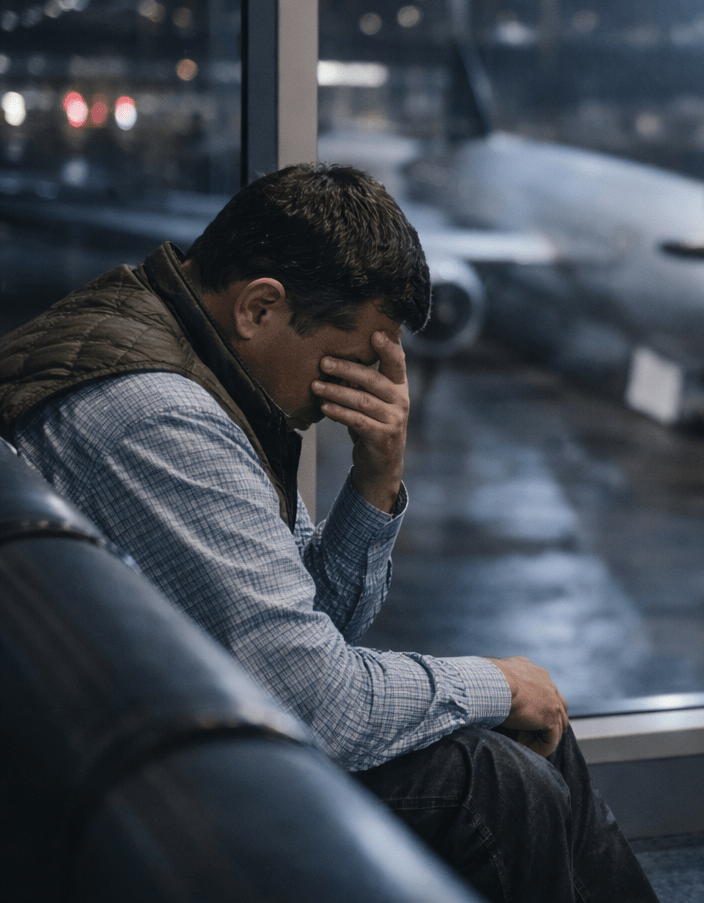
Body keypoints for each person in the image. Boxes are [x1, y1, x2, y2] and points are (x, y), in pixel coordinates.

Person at [0, 164, 658, 903]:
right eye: (353, 357)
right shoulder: (160, 416)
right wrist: (497, 683)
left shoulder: (190, 355)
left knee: (533, 730)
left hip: (141, 714)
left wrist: (375, 483)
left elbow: (313, 622)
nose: (368, 382)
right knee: (495, 779)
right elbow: (319, 704)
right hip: (102, 766)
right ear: (260, 309)